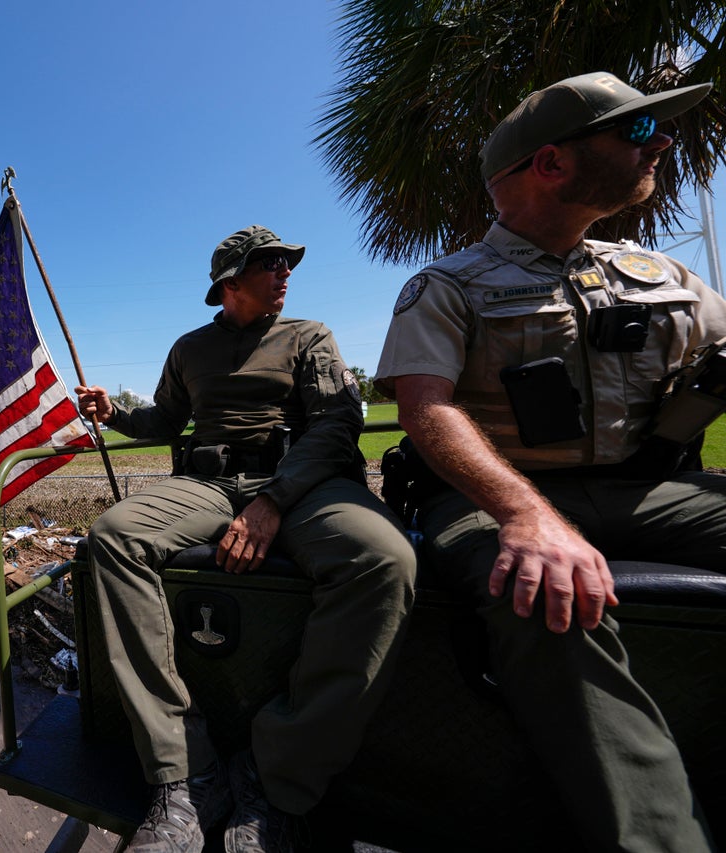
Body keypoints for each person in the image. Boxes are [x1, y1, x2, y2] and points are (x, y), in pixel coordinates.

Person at [375, 71, 724, 851]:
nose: (662, 142)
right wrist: (527, 513)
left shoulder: (664, 276)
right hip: (494, 496)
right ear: (552, 164)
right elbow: (425, 408)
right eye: (637, 132)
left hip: (647, 488)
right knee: (544, 589)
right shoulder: (449, 285)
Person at [76, 225, 416, 853]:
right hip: (208, 482)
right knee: (111, 537)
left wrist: (273, 501)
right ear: (229, 282)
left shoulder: (308, 336)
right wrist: (113, 414)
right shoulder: (189, 347)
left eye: (289, 263)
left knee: (384, 558)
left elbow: (338, 422)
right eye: (272, 264)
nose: (286, 272)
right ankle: (185, 771)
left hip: (301, 481)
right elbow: (167, 420)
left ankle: (276, 778)